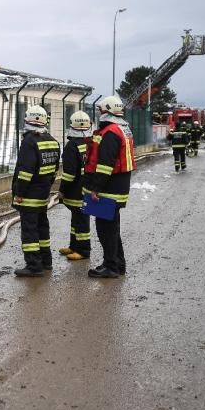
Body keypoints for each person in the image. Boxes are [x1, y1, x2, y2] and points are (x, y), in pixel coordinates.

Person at [82, 95, 134, 279]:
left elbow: (105, 165)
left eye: (100, 110)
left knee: (106, 229)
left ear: (106, 111)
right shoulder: (123, 128)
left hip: (108, 189)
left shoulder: (110, 132)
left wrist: (95, 188)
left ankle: (111, 266)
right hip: (117, 186)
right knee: (112, 228)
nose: (98, 113)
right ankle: (118, 264)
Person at [12, 104, 60, 277]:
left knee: (30, 230)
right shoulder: (53, 141)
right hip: (43, 193)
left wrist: (19, 193)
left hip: (29, 195)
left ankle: (33, 265)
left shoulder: (29, 141)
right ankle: (46, 261)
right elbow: (55, 170)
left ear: (28, 120)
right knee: (42, 226)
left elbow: (25, 172)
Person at [57, 111, 92, 261]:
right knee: (77, 219)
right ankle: (74, 246)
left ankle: (83, 251)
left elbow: (69, 174)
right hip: (88, 187)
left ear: (71, 125)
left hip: (77, 191)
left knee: (81, 220)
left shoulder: (72, 146)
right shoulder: (91, 142)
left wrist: (62, 190)